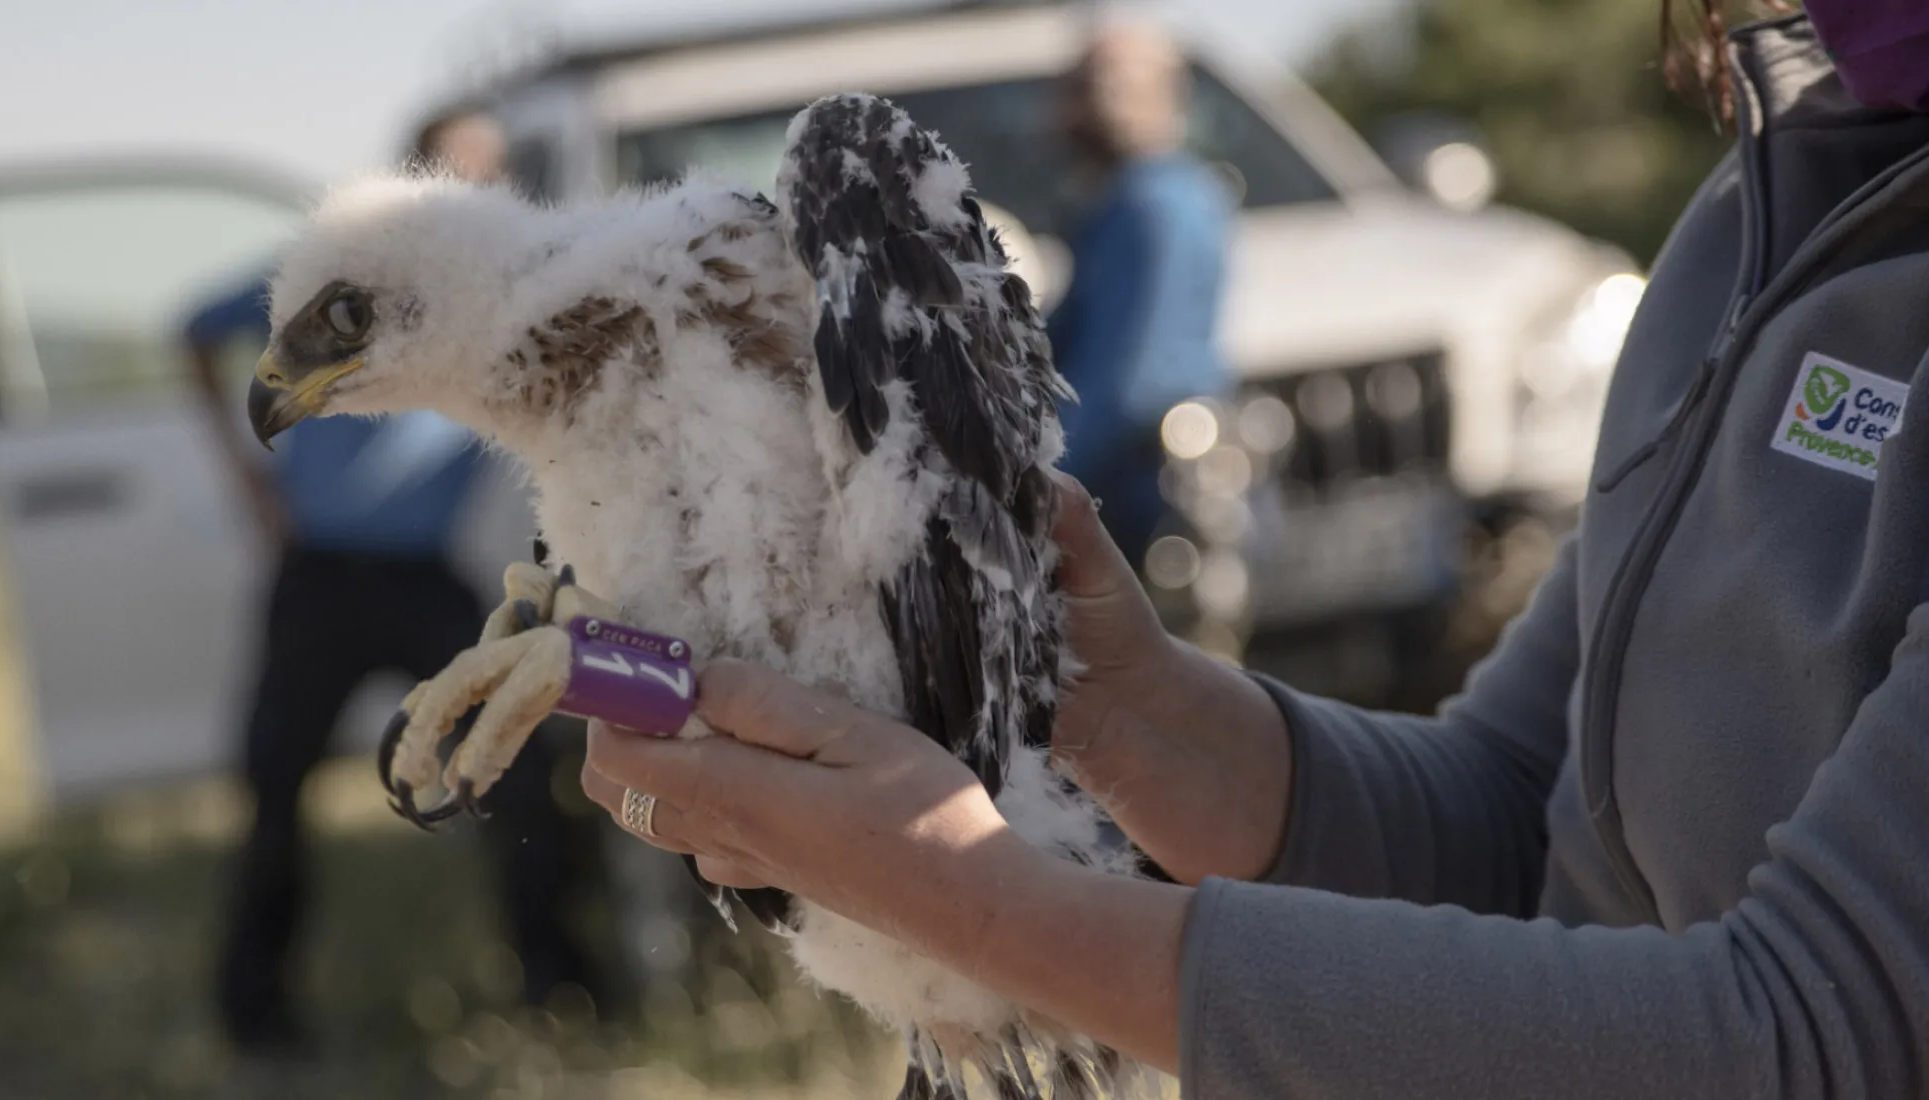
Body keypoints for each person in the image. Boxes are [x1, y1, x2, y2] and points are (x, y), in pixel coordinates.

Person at [580, 4, 1929, 1096]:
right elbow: (1523, 823)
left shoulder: (1163, 208)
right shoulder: (1772, 195)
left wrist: (968, 900)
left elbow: (1818, 1043)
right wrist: (1114, 703)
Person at [193, 109, 610, 1053]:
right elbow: (193, 328)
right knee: (273, 787)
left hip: (428, 581)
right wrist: (243, 476)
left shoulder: (516, 284)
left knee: (521, 772)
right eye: (458, 168)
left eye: (492, 170)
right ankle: (253, 1016)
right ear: (416, 173)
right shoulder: (342, 269)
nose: (478, 185)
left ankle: (564, 994)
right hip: (320, 579)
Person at [1044, 24, 1234, 559]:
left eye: (1107, 84)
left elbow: (1128, 384)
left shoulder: (1152, 208)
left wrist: (1034, 492)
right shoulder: (1142, 199)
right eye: (1083, 85)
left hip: (1143, 503)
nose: (1089, 104)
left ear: (1167, 95)